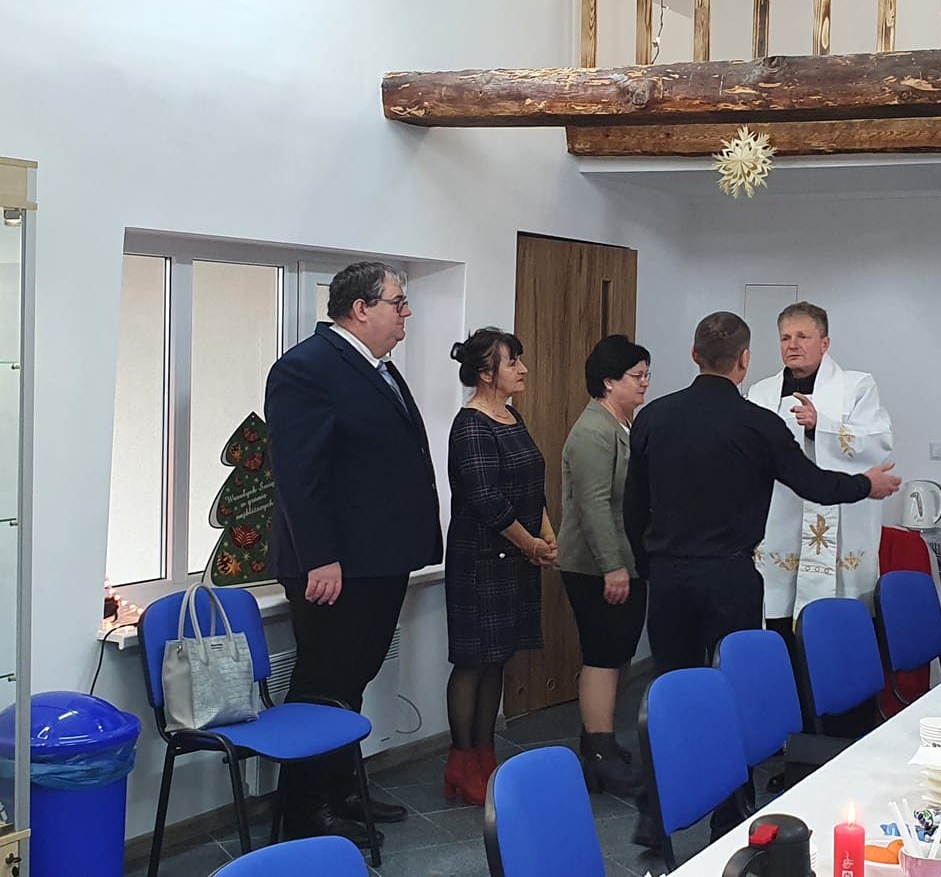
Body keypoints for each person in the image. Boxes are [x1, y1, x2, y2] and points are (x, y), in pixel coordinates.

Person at [623, 312, 901, 849]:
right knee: (730, 690)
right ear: (746, 359)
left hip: (669, 577)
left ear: (694, 355)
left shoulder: (654, 416)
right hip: (728, 575)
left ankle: (658, 811)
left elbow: (633, 507)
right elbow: (813, 483)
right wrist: (865, 485)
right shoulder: (757, 421)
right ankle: (729, 810)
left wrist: (649, 564)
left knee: (672, 691)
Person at [265, 261, 438, 846]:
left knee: (351, 680)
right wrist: (320, 556)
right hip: (334, 566)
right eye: (398, 302)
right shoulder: (306, 368)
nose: (406, 312)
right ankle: (305, 812)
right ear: (361, 309)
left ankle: (342, 791)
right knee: (322, 684)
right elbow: (299, 473)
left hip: (377, 559)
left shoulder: (377, 368)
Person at [440, 327, 556, 807]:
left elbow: (531, 485)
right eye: (512, 362)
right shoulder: (471, 425)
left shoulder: (510, 415)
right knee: (473, 662)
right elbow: (487, 499)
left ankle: (486, 756)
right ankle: (461, 761)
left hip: (515, 556)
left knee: (498, 658)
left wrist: (547, 534)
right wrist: (531, 545)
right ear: (486, 373)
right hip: (480, 560)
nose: (522, 369)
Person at [747, 302, 895, 624]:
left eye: (803, 337)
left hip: (841, 520)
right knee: (778, 616)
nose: (793, 345)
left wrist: (821, 426)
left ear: (824, 343)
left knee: (835, 623)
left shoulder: (857, 386)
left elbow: (878, 441)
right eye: (785, 338)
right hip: (780, 518)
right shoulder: (761, 392)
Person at [555, 334, 652, 796]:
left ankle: (603, 741)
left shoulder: (621, 425)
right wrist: (613, 566)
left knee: (618, 654)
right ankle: (598, 754)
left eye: (647, 375)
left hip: (624, 562)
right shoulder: (593, 431)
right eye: (637, 376)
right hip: (595, 567)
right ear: (609, 381)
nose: (644, 383)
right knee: (602, 654)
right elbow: (593, 505)